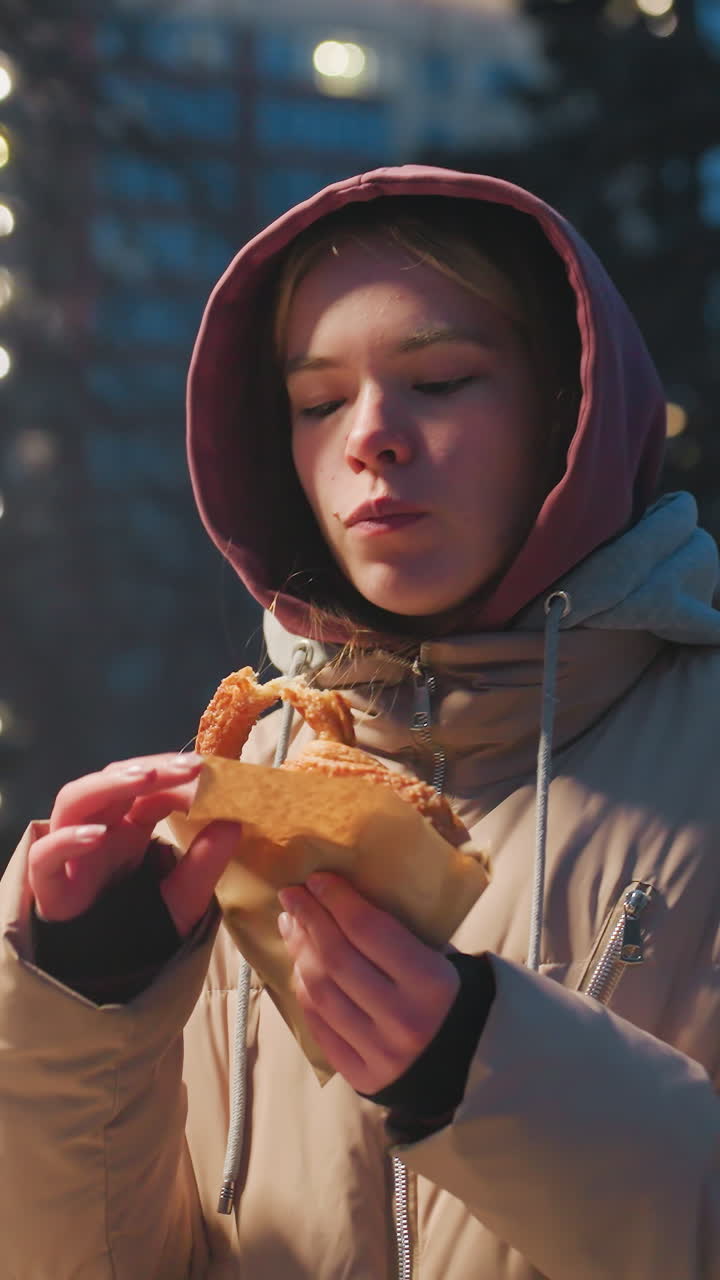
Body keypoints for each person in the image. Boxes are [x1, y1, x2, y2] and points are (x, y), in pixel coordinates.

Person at [1, 164, 719, 1280]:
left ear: (567, 410)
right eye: (319, 402)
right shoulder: (248, 791)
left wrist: (483, 1071)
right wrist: (83, 1002)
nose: (370, 434)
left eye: (440, 379)